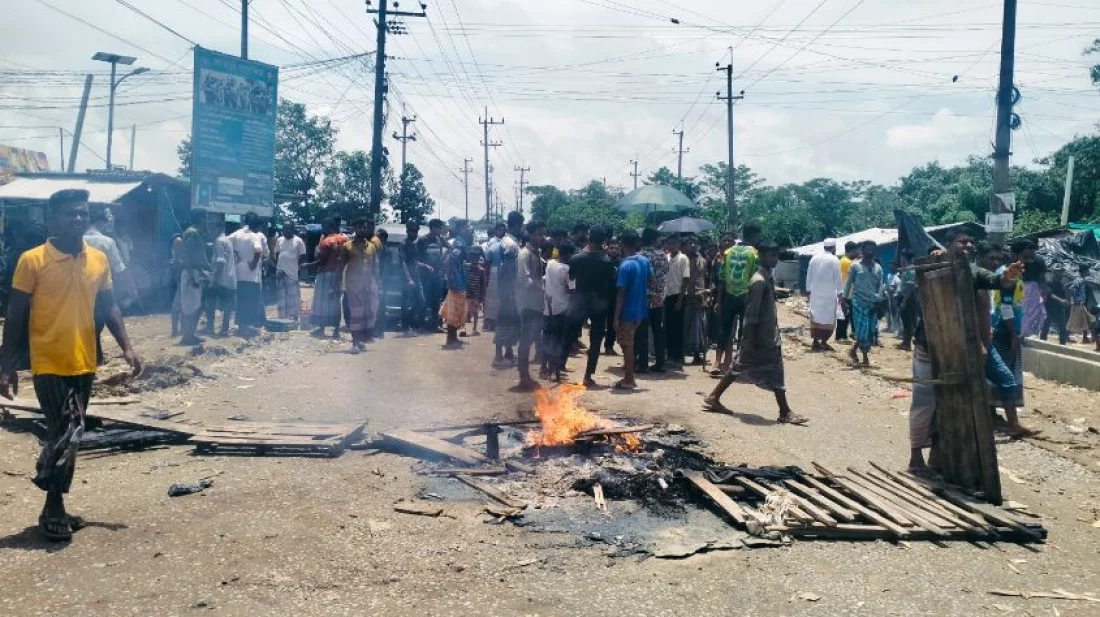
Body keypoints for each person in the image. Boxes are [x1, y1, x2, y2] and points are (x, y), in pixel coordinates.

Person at [0, 189, 143, 542]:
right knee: (68, 428)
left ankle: (52, 489)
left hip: (85, 360)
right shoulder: (32, 260)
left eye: (82, 213)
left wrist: (127, 347)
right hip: (48, 361)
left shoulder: (98, 260)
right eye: (69, 214)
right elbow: (15, 315)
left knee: (69, 431)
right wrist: (7, 367)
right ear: (52, 219)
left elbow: (109, 306)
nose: (77, 219)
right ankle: (53, 506)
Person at [908, 231, 1034, 476]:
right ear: (947, 245)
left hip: (959, 349)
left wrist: (1008, 276)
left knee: (954, 401)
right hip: (929, 345)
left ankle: (938, 456)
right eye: (961, 241)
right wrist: (938, 257)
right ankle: (915, 458)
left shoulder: (973, 271)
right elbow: (923, 276)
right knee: (925, 402)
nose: (968, 244)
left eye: (970, 241)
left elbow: (997, 282)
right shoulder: (935, 263)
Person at [704, 240, 808, 425]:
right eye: (770, 255)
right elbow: (751, 315)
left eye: (776, 255)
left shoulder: (767, 277)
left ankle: (714, 397)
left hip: (766, 335)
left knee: (741, 368)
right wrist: (749, 340)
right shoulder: (758, 281)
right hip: (760, 338)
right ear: (760, 256)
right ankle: (785, 411)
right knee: (770, 371)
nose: (774, 259)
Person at [569, 225, 616, 386]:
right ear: (604, 241)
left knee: (569, 334)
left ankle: (557, 366)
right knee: (596, 341)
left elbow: (571, 276)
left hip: (580, 301)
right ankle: (588, 376)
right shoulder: (607, 262)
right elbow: (612, 281)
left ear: (589, 238)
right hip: (600, 304)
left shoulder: (577, 258)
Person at [83, 205, 130, 365]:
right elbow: (118, 268)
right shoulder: (107, 242)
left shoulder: (77, 238)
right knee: (99, 321)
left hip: (78, 289)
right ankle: (95, 357)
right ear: (101, 222)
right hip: (102, 288)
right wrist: (129, 288)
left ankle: (95, 355)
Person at [714, 222, 761, 374]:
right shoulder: (754, 253)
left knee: (724, 329)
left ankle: (717, 363)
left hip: (728, 295)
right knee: (745, 331)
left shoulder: (728, 252)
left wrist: (719, 300)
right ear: (754, 236)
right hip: (746, 297)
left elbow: (721, 278)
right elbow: (756, 278)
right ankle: (739, 363)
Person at [613, 230, 652, 391]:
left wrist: (616, 316)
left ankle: (629, 379)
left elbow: (621, 294)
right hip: (641, 310)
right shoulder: (644, 261)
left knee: (626, 345)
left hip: (628, 311)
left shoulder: (625, 265)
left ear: (622, 244)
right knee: (629, 343)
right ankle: (629, 377)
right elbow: (651, 282)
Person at [515, 220, 548, 390]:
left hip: (536, 304)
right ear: (531, 234)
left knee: (532, 338)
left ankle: (526, 375)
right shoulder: (524, 254)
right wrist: (542, 288)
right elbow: (524, 279)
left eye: (544, 233)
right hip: (528, 304)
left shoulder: (537, 252)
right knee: (525, 341)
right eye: (539, 234)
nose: (542, 237)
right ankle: (523, 377)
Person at [843, 240, 885, 367]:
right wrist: (844, 300)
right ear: (862, 250)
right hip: (858, 302)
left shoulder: (878, 268)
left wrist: (879, 302)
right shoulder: (855, 266)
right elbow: (848, 284)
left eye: (872, 249)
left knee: (870, 331)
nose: (870, 252)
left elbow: (880, 287)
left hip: (873, 303)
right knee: (862, 330)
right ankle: (865, 358)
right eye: (868, 249)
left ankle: (853, 350)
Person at [306, 218, 347, 339]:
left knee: (322, 303)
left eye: (324, 226)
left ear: (328, 226)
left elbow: (321, 260)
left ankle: (322, 328)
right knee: (335, 302)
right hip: (340, 273)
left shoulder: (326, 241)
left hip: (325, 274)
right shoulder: (345, 239)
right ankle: (336, 331)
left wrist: (306, 265)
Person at [493, 212, 524, 368]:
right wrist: (510, 291)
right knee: (506, 320)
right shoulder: (511, 244)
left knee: (507, 321)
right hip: (509, 288)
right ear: (517, 225)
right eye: (521, 225)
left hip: (506, 288)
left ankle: (507, 352)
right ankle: (500, 354)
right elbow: (508, 269)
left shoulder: (506, 241)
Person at [342, 220, 378, 353]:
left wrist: (379, 285)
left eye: (365, 227)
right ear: (355, 228)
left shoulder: (372, 247)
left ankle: (362, 340)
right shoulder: (347, 246)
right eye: (360, 226)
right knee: (356, 314)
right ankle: (355, 343)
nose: (363, 229)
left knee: (368, 314)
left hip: (369, 285)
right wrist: (336, 285)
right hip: (353, 285)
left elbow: (375, 267)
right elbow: (341, 267)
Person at [636, 227, 669, 373]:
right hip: (658, 298)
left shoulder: (639, 256)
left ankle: (642, 363)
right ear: (655, 240)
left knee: (642, 331)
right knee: (658, 331)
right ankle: (660, 362)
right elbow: (666, 270)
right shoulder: (662, 255)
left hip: (643, 298)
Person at [228, 212, 266, 335]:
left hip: (239, 271)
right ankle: (247, 327)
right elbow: (258, 250)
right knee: (250, 301)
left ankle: (241, 326)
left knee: (241, 300)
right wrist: (253, 264)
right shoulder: (254, 236)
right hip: (250, 273)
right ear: (255, 225)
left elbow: (226, 242)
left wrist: (236, 254)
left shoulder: (237, 234)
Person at [543, 240, 575, 381]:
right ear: (568, 254)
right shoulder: (567, 269)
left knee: (548, 338)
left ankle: (545, 367)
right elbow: (572, 290)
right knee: (559, 340)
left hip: (547, 308)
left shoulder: (549, 264)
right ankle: (555, 368)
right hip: (562, 309)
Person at [179, 211, 211, 346]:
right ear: (201, 218)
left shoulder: (196, 232)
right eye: (206, 217)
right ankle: (187, 336)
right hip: (192, 273)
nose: (207, 221)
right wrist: (192, 277)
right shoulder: (192, 233)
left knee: (197, 306)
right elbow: (186, 255)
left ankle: (191, 334)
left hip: (197, 272)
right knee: (190, 307)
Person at [805, 238, 842, 351]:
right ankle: (824, 342)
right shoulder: (834, 259)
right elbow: (838, 278)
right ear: (834, 247)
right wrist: (840, 294)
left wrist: (808, 291)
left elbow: (809, 275)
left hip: (815, 294)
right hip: (829, 294)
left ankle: (815, 341)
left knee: (815, 317)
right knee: (828, 319)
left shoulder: (814, 258)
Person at [440, 220, 472, 348]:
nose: (469, 230)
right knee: (454, 310)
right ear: (460, 229)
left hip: (459, 279)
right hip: (456, 281)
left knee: (457, 309)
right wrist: (452, 279)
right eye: (467, 227)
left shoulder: (460, 242)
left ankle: (453, 337)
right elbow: (449, 261)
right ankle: (450, 338)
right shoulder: (459, 243)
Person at [204, 213, 236, 336]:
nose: (210, 230)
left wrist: (213, 279)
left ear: (218, 228)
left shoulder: (218, 241)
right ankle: (224, 330)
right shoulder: (227, 240)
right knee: (227, 307)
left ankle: (210, 328)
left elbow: (220, 261)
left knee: (210, 304)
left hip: (220, 279)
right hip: (230, 279)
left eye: (212, 228)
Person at [663, 234, 690, 368]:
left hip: (678, 295)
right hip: (666, 295)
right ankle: (670, 354)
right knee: (668, 326)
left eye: (674, 244)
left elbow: (686, 280)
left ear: (678, 245)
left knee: (678, 327)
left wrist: (680, 301)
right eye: (669, 244)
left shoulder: (683, 258)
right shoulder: (666, 257)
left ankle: (678, 356)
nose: (671, 246)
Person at [682, 235, 709, 366]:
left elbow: (704, 278)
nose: (693, 245)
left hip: (699, 296)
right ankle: (681, 353)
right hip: (685, 296)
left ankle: (698, 355)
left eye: (694, 243)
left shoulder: (702, 260)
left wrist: (705, 292)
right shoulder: (683, 260)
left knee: (698, 327)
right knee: (684, 325)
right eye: (690, 243)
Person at [417, 218, 447, 332]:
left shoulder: (440, 240)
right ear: (432, 228)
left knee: (436, 301)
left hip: (437, 276)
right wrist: (425, 266)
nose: (440, 230)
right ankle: (421, 325)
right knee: (424, 300)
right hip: (425, 276)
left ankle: (436, 325)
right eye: (439, 228)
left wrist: (443, 259)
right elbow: (416, 260)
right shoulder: (422, 240)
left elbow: (450, 248)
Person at [275, 225, 307, 320]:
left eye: (288, 229)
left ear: (293, 230)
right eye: (284, 229)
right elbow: (277, 254)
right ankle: (282, 317)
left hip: (292, 273)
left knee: (292, 297)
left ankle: (293, 318)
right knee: (281, 296)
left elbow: (303, 256)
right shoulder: (279, 240)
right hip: (280, 272)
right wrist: (279, 267)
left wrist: (298, 268)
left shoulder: (298, 241)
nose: (286, 231)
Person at [400, 222, 423, 334]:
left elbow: (415, 261)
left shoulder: (415, 244)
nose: (415, 233)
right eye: (412, 231)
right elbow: (403, 262)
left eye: (416, 231)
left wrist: (425, 266)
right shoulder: (403, 244)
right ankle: (406, 327)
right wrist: (409, 278)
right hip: (406, 278)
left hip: (416, 276)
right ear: (407, 231)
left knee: (421, 301)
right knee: (406, 303)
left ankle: (412, 324)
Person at [1020, 242, 1047, 337]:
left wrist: (1043, 291)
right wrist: (1043, 290)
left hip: (1027, 286)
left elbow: (1042, 277)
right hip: (1028, 286)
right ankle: (1022, 335)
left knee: (1027, 312)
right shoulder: (1038, 259)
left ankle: (1022, 335)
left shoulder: (1021, 258)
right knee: (1029, 312)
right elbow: (1042, 277)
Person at [1040, 264, 1071, 345]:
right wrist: (1061, 301)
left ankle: (1062, 345)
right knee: (1046, 326)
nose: (1060, 273)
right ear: (1054, 272)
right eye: (1058, 271)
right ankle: (1042, 342)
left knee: (1062, 328)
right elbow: (1050, 294)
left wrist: (1067, 300)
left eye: (1061, 271)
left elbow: (1066, 295)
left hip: (1060, 308)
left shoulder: (1063, 284)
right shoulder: (1049, 282)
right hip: (1050, 307)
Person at [835, 241, 859, 342]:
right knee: (844, 316)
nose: (857, 253)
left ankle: (843, 336)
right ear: (851, 251)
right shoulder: (847, 262)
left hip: (845, 292)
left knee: (845, 316)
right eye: (856, 251)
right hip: (847, 293)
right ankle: (841, 336)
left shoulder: (843, 260)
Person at [602, 237, 621, 355]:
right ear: (607, 248)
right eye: (611, 248)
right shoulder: (603, 260)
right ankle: (594, 346)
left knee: (611, 322)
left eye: (616, 248)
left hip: (615, 296)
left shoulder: (622, 262)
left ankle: (609, 346)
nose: (614, 250)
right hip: (602, 295)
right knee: (598, 322)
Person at [895, 249, 917, 351]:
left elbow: (910, 286)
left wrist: (904, 301)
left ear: (904, 258)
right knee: (906, 320)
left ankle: (907, 343)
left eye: (902, 258)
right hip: (906, 297)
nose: (901, 260)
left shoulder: (910, 269)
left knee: (908, 321)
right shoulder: (907, 269)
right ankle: (905, 341)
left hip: (908, 298)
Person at [464, 245, 487, 336]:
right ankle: (464, 328)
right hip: (467, 293)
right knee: (466, 311)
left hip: (476, 294)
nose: (475, 259)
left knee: (476, 312)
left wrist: (482, 296)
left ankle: (475, 328)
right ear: (470, 257)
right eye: (473, 256)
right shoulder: (466, 267)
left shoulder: (481, 270)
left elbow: (483, 284)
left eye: (477, 257)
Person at [1067, 264, 1092, 344]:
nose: (1089, 272)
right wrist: (1074, 300)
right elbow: (1071, 289)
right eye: (1087, 270)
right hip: (1077, 305)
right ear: (1084, 271)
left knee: (1086, 320)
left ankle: (1085, 338)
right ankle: (1065, 335)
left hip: (1081, 304)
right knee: (1073, 321)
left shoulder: (1082, 280)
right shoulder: (1079, 280)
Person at [168, 233, 184, 337]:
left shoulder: (180, 258)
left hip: (183, 283)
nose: (175, 248)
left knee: (176, 309)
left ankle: (176, 331)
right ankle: (180, 331)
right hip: (180, 283)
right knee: (181, 308)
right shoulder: (177, 257)